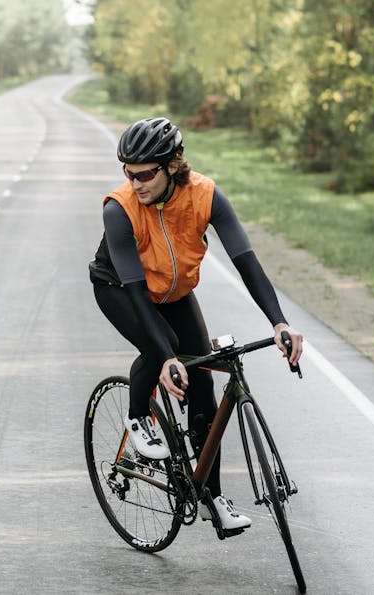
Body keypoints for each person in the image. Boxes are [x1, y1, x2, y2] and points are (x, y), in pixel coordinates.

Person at [89, 116, 303, 532]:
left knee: (202, 378)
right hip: (119, 287)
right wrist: (167, 357)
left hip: (174, 291)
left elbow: (246, 261)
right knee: (163, 344)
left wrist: (279, 322)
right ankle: (138, 418)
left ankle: (212, 497)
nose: (136, 183)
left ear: (173, 165)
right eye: (128, 174)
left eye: (146, 174)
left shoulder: (205, 195)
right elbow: (136, 290)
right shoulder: (119, 209)